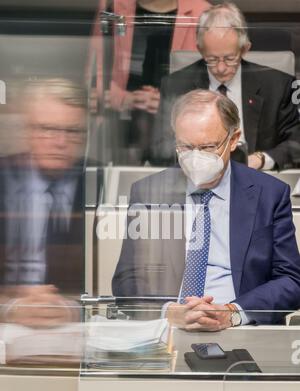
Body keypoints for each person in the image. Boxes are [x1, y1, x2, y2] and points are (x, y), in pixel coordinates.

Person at [112, 89, 300, 329]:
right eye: (186, 147)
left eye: (208, 147)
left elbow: (291, 280)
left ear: (233, 140)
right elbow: (126, 280)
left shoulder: (269, 194)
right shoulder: (148, 191)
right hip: (168, 328)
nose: (196, 157)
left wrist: (233, 313)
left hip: (240, 328)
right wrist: (169, 312)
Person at [151, 2, 300, 169]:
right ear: (200, 50)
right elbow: (160, 147)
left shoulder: (277, 86)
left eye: (230, 58)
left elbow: (296, 142)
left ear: (244, 49)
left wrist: (261, 160)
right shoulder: (175, 86)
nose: (221, 68)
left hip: (256, 179)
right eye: (212, 59)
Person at [0, 79, 87, 328]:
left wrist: (73, 310)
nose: (60, 142)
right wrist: (9, 308)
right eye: (48, 128)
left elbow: (116, 285)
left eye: (71, 131)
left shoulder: (98, 181)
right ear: (28, 130)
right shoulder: (3, 177)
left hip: (74, 325)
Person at [87, 0, 211, 164]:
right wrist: (124, 98)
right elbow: (96, 75)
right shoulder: (112, 5)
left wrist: (167, 103)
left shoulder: (202, 11)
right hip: (120, 124)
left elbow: (208, 85)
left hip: (176, 130)